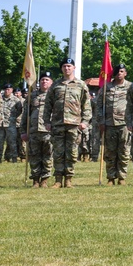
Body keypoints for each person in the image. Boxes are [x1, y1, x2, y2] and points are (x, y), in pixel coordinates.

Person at [43, 58, 92, 188]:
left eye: (69, 66)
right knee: (58, 152)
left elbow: (86, 105)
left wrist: (85, 121)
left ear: (74, 68)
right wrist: (46, 121)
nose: (67, 68)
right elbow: (48, 104)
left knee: (72, 152)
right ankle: (58, 179)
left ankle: (68, 179)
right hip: (58, 123)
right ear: (62, 69)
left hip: (74, 124)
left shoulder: (81, 85)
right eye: (64, 66)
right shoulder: (56, 85)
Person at [94, 64, 132, 184]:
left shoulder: (131, 87)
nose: (119, 73)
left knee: (124, 151)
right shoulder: (107, 87)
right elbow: (99, 106)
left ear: (125, 73)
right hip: (109, 123)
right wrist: (101, 121)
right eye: (117, 71)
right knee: (110, 152)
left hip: (124, 124)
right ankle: (110, 177)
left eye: (121, 71)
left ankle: (122, 177)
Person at [25, 72, 55, 186]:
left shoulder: (54, 95)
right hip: (34, 130)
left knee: (47, 155)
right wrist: (24, 131)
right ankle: (35, 179)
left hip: (48, 130)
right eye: (42, 79)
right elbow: (25, 115)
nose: (44, 82)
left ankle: (45, 180)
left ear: (51, 82)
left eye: (47, 79)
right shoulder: (32, 96)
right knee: (34, 156)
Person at [0, 83, 20, 164]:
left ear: (12, 90)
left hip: (10, 124)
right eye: (5, 89)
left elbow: (20, 110)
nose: (7, 91)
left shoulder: (16, 100)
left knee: (12, 142)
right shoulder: (0, 98)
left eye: (8, 89)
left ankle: (14, 158)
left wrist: (13, 117)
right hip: (0, 124)